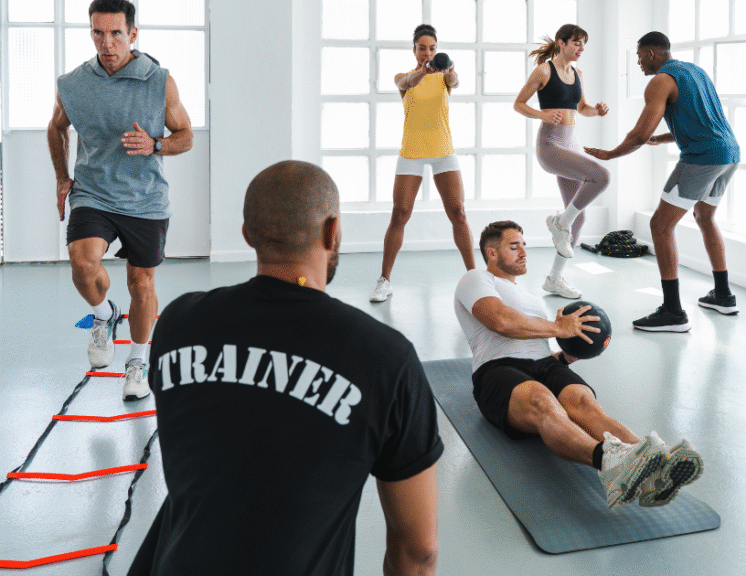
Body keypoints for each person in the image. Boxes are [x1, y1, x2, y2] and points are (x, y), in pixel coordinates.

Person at [127, 161, 443, 576]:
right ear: (333, 232)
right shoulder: (384, 357)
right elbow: (418, 549)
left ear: (247, 234)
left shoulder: (177, 325)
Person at [454, 221, 703, 509]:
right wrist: (559, 329)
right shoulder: (475, 279)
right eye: (514, 246)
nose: (524, 251)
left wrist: (571, 355)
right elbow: (500, 321)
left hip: (544, 363)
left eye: (524, 244)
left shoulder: (532, 300)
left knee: (584, 405)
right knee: (542, 401)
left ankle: (656, 467)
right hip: (498, 368)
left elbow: (540, 344)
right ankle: (610, 462)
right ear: (492, 254)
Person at [47, 0, 193, 400]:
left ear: (133, 34)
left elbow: (186, 135)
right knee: (81, 261)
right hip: (94, 192)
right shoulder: (73, 83)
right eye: (98, 32)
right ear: (91, 32)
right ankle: (104, 314)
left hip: (144, 199)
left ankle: (138, 360)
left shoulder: (160, 81)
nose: (106, 43)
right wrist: (62, 176)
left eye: (115, 33)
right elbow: (57, 126)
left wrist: (156, 143)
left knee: (140, 284)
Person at [585, 31, 741, 332]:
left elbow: (639, 133)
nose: (639, 64)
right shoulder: (696, 72)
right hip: (730, 153)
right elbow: (707, 121)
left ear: (651, 54)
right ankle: (723, 295)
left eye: (639, 57)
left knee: (660, 226)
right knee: (705, 217)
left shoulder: (659, 81)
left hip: (703, 158)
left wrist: (610, 154)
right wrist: (665, 137)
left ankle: (672, 311)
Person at [371, 23, 475, 303]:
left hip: (443, 151)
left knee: (459, 213)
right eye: (421, 48)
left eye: (432, 48)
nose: (427, 52)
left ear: (436, 50)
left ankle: (475, 278)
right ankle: (384, 280)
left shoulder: (444, 77)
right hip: (412, 153)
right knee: (400, 214)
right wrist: (421, 72)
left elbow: (454, 83)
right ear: (414, 49)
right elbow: (407, 84)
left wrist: (450, 73)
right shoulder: (404, 77)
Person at [513, 24, 610, 299]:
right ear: (561, 43)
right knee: (602, 176)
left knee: (578, 218)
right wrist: (541, 115)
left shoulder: (578, 73)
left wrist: (597, 110)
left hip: (572, 143)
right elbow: (519, 103)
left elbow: (582, 108)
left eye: (583, 45)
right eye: (576, 43)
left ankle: (555, 278)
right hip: (551, 145)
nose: (580, 49)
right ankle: (559, 223)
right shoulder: (544, 70)